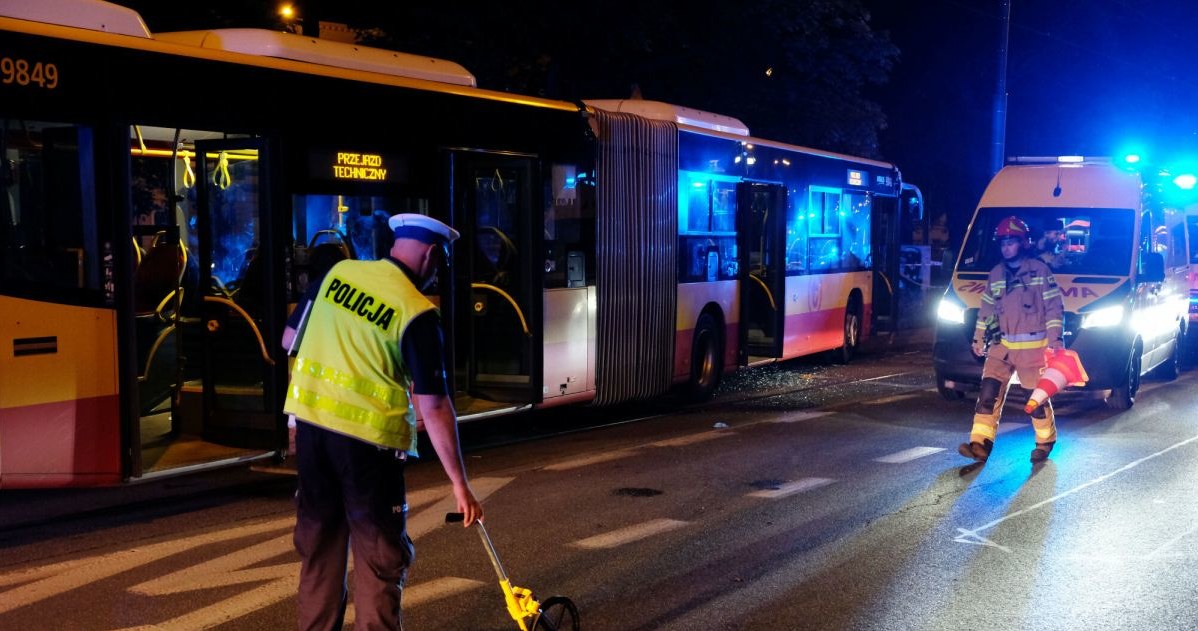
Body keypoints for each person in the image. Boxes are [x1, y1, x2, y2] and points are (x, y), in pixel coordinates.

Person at [283, 213, 483, 631]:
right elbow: (435, 408)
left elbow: (289, 341)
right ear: (431, 255)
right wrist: (460, 485)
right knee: (379, 563)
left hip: (313, 435)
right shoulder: (415, 311)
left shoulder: (338, 273)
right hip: (368, 453)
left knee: (319, 555)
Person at [960, 215, 1065, 464]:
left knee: (1035, 401)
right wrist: (978, 339)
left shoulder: (1040, 272)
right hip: (1000, 348)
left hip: (1032, 351)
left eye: (1011, 242)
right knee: (987, 395)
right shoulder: (996, 274)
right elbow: (985, 311)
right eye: (1003, 242)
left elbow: (1054, 308)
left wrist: (1056, 341)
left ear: (1024, 243)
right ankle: (980, 444)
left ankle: (1045, 441)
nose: (1006, 247)